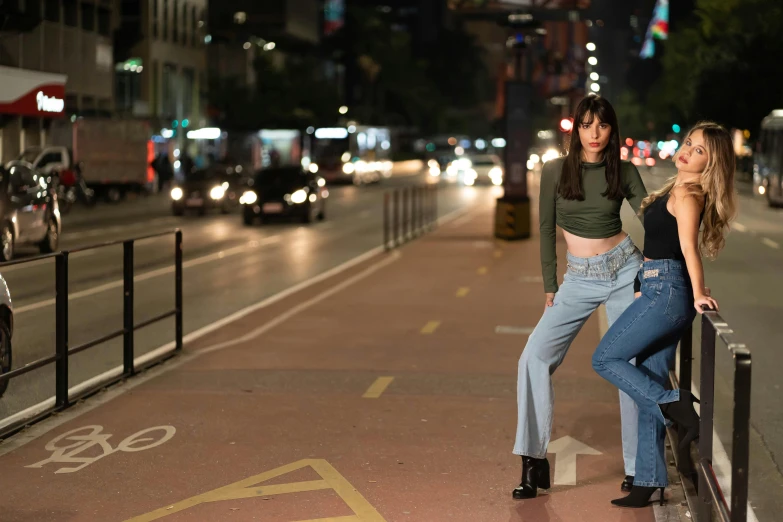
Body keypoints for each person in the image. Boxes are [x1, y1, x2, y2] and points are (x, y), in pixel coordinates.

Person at [591, 121, 737, 507]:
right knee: (647, 379)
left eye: (700, 149)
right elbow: (660, 241)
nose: (688, 150)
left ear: (712, 163)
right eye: (689, 142)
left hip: (667, 291)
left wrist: (700, 293)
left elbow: (688, 248)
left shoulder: (689, 193)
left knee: (605, 357)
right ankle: (648, 480)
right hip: (658, 284)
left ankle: (675, 404)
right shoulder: (675, 187)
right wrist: (643, 274)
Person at [513, 94, 648, 499]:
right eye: (587, 124)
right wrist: (550, 284)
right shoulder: (555, 171)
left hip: (625, 269)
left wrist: (675, 266)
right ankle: (532, 460)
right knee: (533, 357)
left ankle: (639, 469)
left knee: (629, 367)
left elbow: (651, 217)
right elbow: (547, 228)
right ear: (576, 127)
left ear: (612, 130)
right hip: (578, 278)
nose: (594, 133)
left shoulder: (622, 171)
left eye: (602, 126)